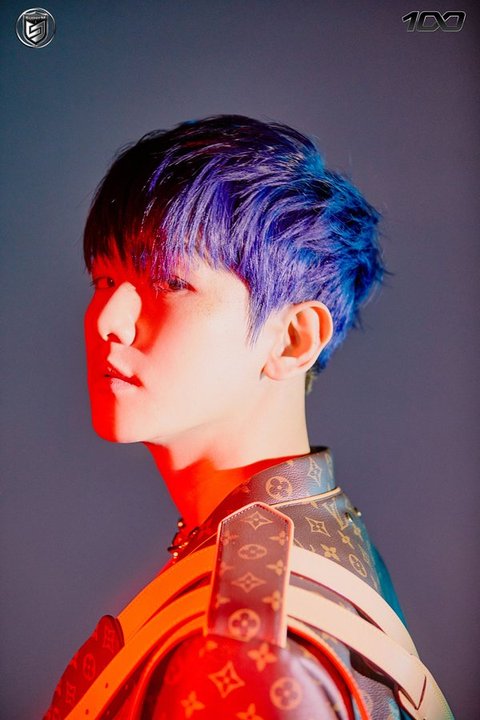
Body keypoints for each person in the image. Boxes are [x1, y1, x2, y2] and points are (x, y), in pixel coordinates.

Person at [43, 115, 452, 719]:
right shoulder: (312, 535)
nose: (108, 319)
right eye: (104, 278)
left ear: (293, 339)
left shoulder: (246, 648)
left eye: (168, 282)